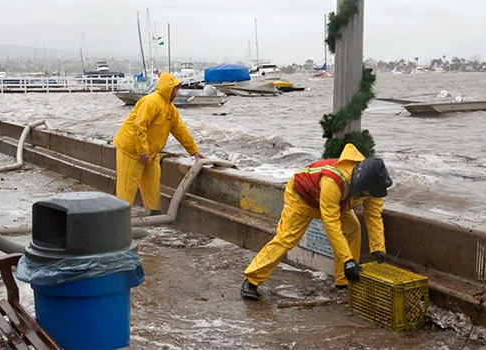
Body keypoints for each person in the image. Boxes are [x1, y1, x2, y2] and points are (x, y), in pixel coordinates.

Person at [241, 143, 393, 300]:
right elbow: (332, 225)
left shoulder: (375, 185)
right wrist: (348, 260)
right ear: (361, 185)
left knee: (353, 228)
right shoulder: (333, 182)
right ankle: (251, 280)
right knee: (286, 238)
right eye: (367, 193)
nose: (370, 196)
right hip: (302, 198)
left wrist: (378, 247)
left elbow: (374, 215)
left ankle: (344, 282)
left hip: (336, 202)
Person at [113, 72, 206, 215]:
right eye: (176, 88)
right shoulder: (151, 102)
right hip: (130, 150)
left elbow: (180, 131)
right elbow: (139, 126)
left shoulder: (170, 109)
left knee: (152, 185)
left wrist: (194, 151)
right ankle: (120, 219)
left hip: (151, 152)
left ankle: (154, 214)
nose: (177, 91)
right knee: (127, 187)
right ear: (168, 88)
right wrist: (142, 150)